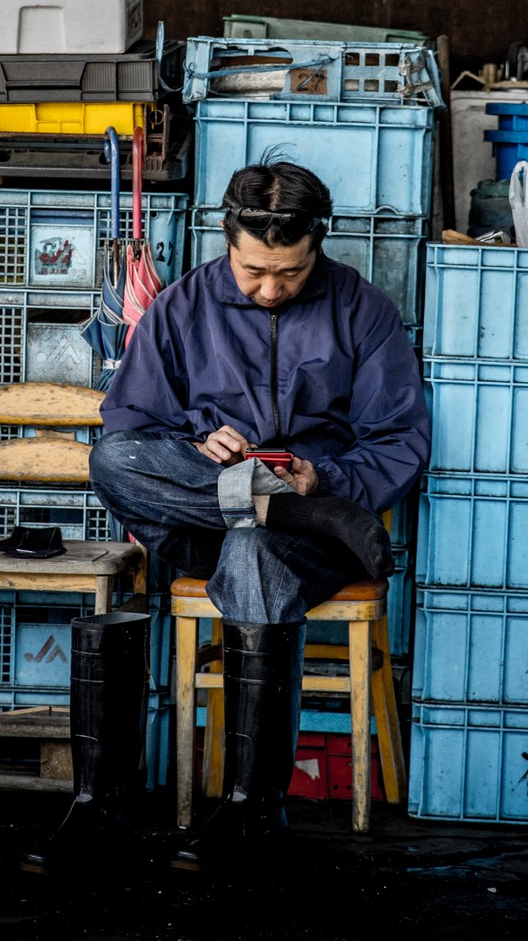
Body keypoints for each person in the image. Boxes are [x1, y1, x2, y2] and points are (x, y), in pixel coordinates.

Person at [90, 159, 431, 865]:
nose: (271, 289)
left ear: (318, 243)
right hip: (200, 526)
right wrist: (193, 441)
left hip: (313, 540)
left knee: (256, 548)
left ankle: (252, 805)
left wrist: (322, 478)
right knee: (112, 460)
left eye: (290, 273)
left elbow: (400, 441)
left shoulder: (363, 311)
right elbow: (129, 425)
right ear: (226, 238)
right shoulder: (180, 307)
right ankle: (268, 509)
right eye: (253, 273)